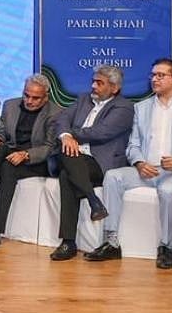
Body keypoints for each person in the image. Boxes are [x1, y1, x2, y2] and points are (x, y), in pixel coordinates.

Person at [85, 59, 172, 267]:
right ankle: (111, 242)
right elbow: (133, 145)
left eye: (161, 75)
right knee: (113, 176)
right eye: (153, 75)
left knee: (168, 190)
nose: (155, 79)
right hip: (147, 170)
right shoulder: (142, 107)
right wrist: (139, 162)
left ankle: (165, 246)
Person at [48, 64, 134, 261]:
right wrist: (65, 136)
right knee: (68, 165)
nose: (93, 86)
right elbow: (61, 119)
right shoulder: (83, 99)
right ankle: (93, 201)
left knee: (67, 172)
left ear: (114, 88)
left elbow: (101, 133)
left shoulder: (124, 107)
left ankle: (68, 242)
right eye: (93, 81)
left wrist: (70, 136)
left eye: (99, 83)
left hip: (99, 162)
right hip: (75, 158)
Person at [0, 73, 62, 250]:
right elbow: (2, 130)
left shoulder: (55, 113)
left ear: (45, 97)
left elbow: (50, 147)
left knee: (8, 168)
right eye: (26, 95)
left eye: (35, 98)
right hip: (12, 150)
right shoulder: (10, 105)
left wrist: (26, 154)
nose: (29, 101)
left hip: (36, 160)